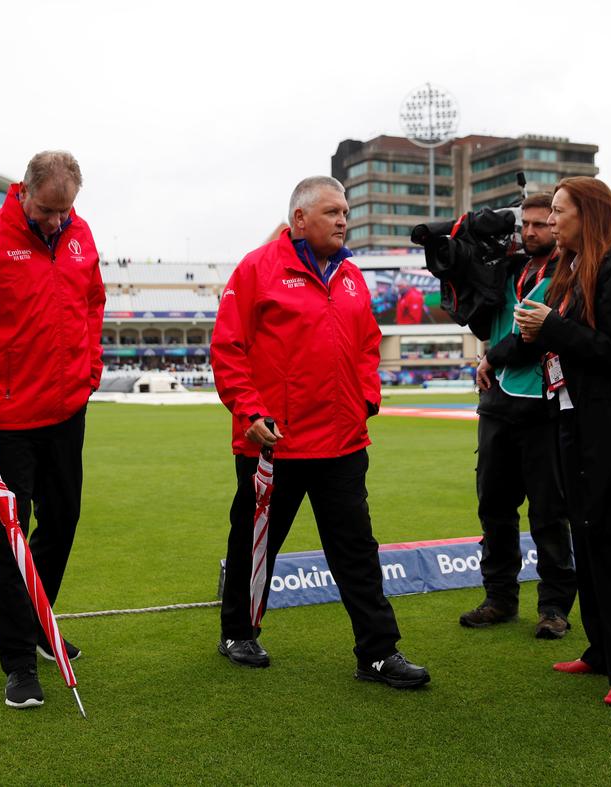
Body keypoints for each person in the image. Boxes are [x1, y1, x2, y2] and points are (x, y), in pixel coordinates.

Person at [211, 175, 429, 689]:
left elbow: (367, 346)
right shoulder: (257, 269)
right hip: (275, 443)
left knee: (357, 550)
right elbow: (228, 349)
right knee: (254, 542)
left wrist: (367, 398)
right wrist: (250, 413)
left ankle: (378, 653)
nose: (343, 220)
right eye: (332, 212)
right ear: (300, 219)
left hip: (343, 442)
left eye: (345, 211)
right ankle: (237, 633)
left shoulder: (352, 275)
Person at [0, 151, 105, 710]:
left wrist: (90, 371)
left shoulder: (80, 235)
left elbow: (92, 304)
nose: (57, 221)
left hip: (67, 412)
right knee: (7, 538)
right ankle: (17, 663)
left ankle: (39, 622)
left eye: (66, 210)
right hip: (6, 423)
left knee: (63, 520)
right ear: (24, 192)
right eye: (48, 210)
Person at [514, 177, 611, 706]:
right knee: (587, 538)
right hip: (574, 420)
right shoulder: (575, 264)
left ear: (591, 213)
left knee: (608, 545)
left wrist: (551, 328)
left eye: (559, 212)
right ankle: (602, 649)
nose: (551, 221)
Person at [461, 192, 577, 637]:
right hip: (497, 405)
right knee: (494, 507)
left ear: (556, 225)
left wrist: (490, 359)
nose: (530, 231)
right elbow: (479, 320)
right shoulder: (508, 268)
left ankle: (553, 607)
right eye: (525, 224)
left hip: (544, 405)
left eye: (541, 224)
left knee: (549, 513)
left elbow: (531, 332)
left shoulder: (568, 272)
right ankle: (499, 599)